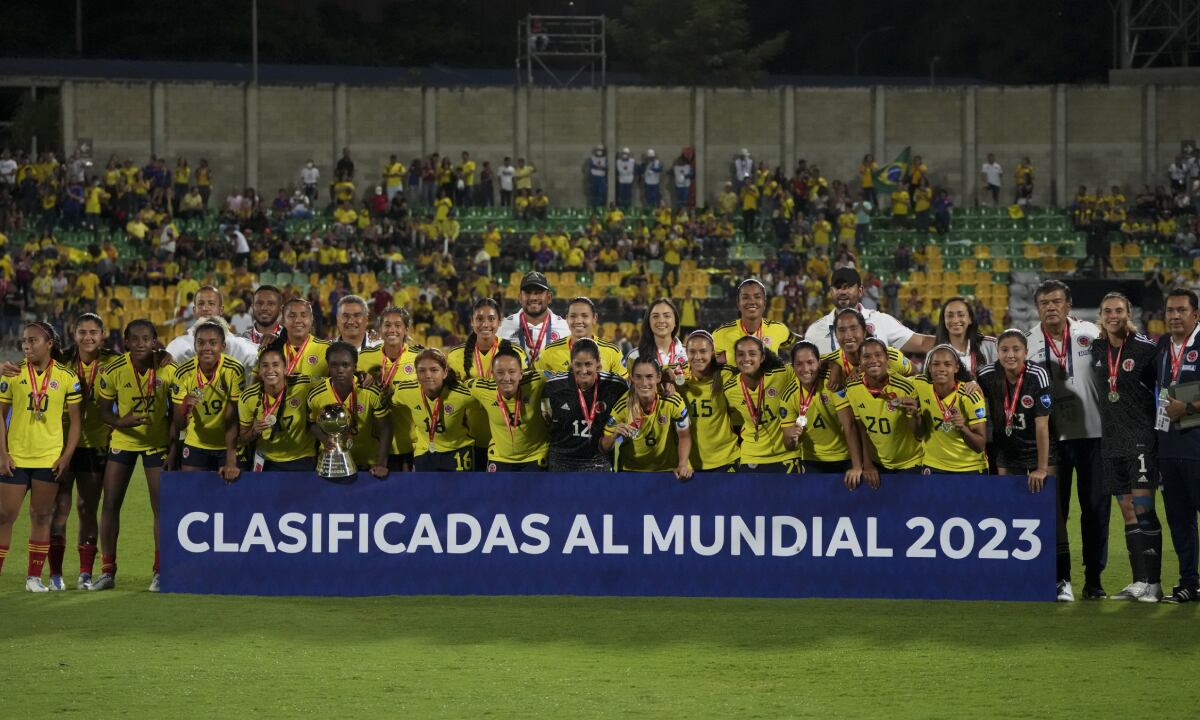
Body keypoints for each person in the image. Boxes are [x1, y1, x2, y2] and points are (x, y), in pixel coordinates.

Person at [1025, 280, 1109, 599]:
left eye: (1056, 301)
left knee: (1096, 510)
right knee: (1055, 511)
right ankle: (1061, 579)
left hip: (1093, 435)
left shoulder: (1092, 334)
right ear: (1037, 308)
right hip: (1052, 441)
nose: (1050, 307)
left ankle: (1094, 580)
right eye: (1044, 303)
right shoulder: (1028, 342)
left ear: (1067, 305)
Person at [92, 321, 175, 592]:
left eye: (146, 339)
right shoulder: (113, 370)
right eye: (135, 339)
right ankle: (107, 571)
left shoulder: (168, 369)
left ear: (155, 341)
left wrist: (172, 447)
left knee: (161, 507)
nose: (141, 344)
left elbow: (176, 414)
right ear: (125, 342)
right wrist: (121, 421)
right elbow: (103, 411)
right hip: (123, 441)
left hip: (156, 442)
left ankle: (160, 571)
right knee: (110, 504)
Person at [1089, 293, 1162, 602]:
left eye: (1119, 310)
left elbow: (1168, 384)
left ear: (1128, 313)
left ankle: (1155, 584)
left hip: (1141, 439)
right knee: (1128, 512)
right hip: (1112, 441)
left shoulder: (1146, 349)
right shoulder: (1097, 348)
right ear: (1101, 315)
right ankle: (1139, 581)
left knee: (1144, 509)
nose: (1113, 315)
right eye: (1107, 311)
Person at [977, 330, 1061, 596]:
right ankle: (1013, 575)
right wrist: (968, 385)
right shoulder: (987, 374)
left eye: (1015, 349)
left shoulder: (1037, 375)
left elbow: (1042, 426)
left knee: (1050, 512)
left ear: (1026, 352)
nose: (1010, 355)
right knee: (1009, 513)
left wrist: (1041, 467)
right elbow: (967, 387)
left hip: (1039, 450)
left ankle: (1062, 579)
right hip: (1006, 452)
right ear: (998, 352)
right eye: (1004, 350)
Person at [0, 323, 82, 592]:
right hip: (15, 458)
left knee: (41, 516)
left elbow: (76, 423)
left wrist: (66, 456)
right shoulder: (12, 373)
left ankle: (33, 578)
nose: (26, 346)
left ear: (49, 344)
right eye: (24, 341)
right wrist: (2, 454)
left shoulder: (67, 377)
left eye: (32, 340)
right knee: (4, 516)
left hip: (48, 459)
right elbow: (0, 416)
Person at [53, 314, 117, 590]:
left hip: (96, 445)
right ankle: (55, 574)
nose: (87, 337)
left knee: (86, 507)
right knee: (60, 507)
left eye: (93, 332)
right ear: (73, 333)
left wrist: (159, 357)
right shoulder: (61, 358)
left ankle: (84, 573)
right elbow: (32, 367)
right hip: (61, 444)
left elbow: (147, 363)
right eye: (82, 332)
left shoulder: (114, 361)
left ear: (103, 334)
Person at [1154, 288, 1200, 603]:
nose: (1174, 316)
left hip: (1197, 447)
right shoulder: (1160, 347)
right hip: (1168, 447)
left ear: (1195, 314)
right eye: (1170, 310)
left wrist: (1190, 409)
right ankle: (1189, 583)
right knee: (1179, 519)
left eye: (1181, 310)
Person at [447, 299, 527, 471]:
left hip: (504, 439)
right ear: (472, 321)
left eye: (491, 319)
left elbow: (523, 391)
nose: (485, 324)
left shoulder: (515, 353)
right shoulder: (455, 356)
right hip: (469, 438)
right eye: (479, 319)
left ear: (499, 321)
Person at [170, 321, 244, 479]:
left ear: (222, 346)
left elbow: (234, 418)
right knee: (192, 499)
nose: (206, 348)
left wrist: (231, 458)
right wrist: (184, 407)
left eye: (213, 343)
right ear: (195, 345)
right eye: (201, 342)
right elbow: (179, 424)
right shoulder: (182, 373)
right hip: (196, 443)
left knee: (229, 500)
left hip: (227, 445)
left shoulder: (234, 370)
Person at [844, 338, 924, 483]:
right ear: (860, 361)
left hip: (911, 463)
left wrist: (914, 416)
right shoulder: (852, 388)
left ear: (886, 358)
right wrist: (867, 464)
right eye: (866, 356)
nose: (873, 360)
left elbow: (918, 434)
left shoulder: (906, 388)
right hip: (877, 465)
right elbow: (862, 428)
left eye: (878, 355)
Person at [803, 268, 934, 356]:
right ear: (831, 291)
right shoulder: (815, 330)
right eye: (837, 288)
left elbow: (922, 343)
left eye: (848, 287)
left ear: (860, 291)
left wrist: (953, 340)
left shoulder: (881, 320)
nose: (842, 292)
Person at [782, 342, 862, 482]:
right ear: (792, 366)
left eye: (810, 362)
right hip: (812, 460)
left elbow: (849, 426)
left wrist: (856, 466)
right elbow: (789, 446)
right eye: (799, 364)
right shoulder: (788, 396)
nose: (806, 369)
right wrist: (792, 439)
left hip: (845, 456)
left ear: (819, 363)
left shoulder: (831, 383)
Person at [307, 342, 390, 479]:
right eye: (334, 365)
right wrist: (324, 439)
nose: (340, 370)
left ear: (355, 367)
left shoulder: (371, 392)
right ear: (328, 366)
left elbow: (385, 428)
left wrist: (381, 463)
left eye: (345, 365)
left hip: (367, 464)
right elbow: (310, 424)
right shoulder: (316, 395)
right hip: (332, 463)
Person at [602, 357, 693, 479]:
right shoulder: (623, 406)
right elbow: (603, 447)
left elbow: (684, 435)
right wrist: (613, 436)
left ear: (658, 377)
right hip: (631, 472)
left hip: (667, 471)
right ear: (632, 378)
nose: (644, 383)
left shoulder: (673, 401)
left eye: (649, 376)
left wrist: (682, 464)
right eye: (638, 377)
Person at [543, 339, 626, 472]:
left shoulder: (615, 385)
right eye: (578, 365)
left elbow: (635, 392)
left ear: (598, 363)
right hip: (561, 459)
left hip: (599, 459)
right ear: (571, 364)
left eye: (588, 364)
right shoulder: (554, 384)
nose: (583, 370)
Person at [722, 335, 801, 473]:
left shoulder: (782, 374)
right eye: (740, 354)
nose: (746, 359)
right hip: (751, 456)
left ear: (762, 357)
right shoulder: (730, 389)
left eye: (752, 354)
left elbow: (810, 366)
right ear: (735, 359)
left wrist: (835, 368)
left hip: (786, 455)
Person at [465, 345, 549, 471]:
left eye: (512, 372)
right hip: (500, 457)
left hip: (535, 455)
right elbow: (456, 389)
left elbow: (568, 379)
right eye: (500, 372)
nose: (506, 378)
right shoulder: (482, 389)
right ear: (492, 374)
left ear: (521, 373)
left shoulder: (537, 380)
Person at [358, 307, 422, 471]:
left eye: (397, 325)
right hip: (375, 446)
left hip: (410, 444)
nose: (392, 330)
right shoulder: (364, 357)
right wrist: (361, 377)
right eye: (387, 325)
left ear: (406, 329)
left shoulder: (419, 357)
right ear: (380, 329)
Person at [237, 341, 317, 472]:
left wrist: (358, 378)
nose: (270, 370)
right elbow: (244, 437)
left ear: (285, 369)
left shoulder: (304, 384)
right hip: (266, 460)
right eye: (265, 366)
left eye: (275, 365)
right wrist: (254, 431)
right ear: (259, 371)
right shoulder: (248, 397)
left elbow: (331, 385)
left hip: (301, 458)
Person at [392, 349, 476, 472]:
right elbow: (389, 401)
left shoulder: (462, 394)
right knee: (423, 491)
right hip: (424, 451)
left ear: (445, 372)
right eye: (422, 370)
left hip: (457, 450)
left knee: (460, 491)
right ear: (416, 373)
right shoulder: (405, 391)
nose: (428, 375)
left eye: (434, 370)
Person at [912, 345, 988, 474]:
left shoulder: (970, 396)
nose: (941, 369)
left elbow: (980, 446)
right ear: (929, 368)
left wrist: (963, 428)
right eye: (936, 364)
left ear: (956, 367)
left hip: (969, 467)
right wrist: (914, 415)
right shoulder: (920, 384)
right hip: (933, 465)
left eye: (947, 365)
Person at [679, 330, 739, 472]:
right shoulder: (678, 376)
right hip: (690, 464)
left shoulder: (726, 375)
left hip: (726, 459)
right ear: (686, 353)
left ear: (712, 352)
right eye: (692, 351)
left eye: (703, 351)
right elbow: (653, 372)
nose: (697, 357)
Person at [163, 286, 260, 369]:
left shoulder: (238, 345)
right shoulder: (179, 345)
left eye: (211, 304)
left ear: (221, 310)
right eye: (201, 304)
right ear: (194, 310)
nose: (205, 308)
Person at [535, 297, 626, 379]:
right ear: (567, 319)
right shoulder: (549, 352)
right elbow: (535, 387)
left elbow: (624, 390)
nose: (578, 321)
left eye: (585, 316)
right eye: (573, 316)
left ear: (594, 318)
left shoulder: (612, 352)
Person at [823, 308, 914, 388]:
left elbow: (915, 375)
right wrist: (834, 366)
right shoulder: (831, 359)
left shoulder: (889, 356)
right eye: (842, 330)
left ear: (864, 332)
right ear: (835, 334)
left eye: (853, 328)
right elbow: (813, 362)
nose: (848, 336)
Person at [711, 279, 797, 363]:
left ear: (764, 303)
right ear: (738, 303)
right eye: (745, 297)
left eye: (757, 297)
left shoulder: (778, 329)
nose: (752, 301)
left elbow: (801, 344)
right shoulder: (721, 334)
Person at [498, 271, 569, 367]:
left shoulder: (566, 328)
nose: (533, 297)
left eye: (538, 293)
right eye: (528, 292)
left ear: (549, 297)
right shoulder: (502, 326)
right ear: (519, 297)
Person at [628, 298, 688, 383]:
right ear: (648, 322)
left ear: (675, 322)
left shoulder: (689, 354)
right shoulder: (634, 356)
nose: (661, 320)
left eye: (667, 316)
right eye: (655, 316)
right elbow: (630, 390)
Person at [935, 296, 997, 377]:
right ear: (944, 320)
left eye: (961, 315)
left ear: (970, 319)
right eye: (950, 316)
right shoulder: (937, 352)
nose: (955, 320)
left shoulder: (991, 345)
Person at [279, 298, 331, 380]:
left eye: (303, 315)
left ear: (311, 319)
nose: (298, 320)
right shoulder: (274, 348)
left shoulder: (327, 349)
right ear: (283, 321)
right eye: (292, 316)